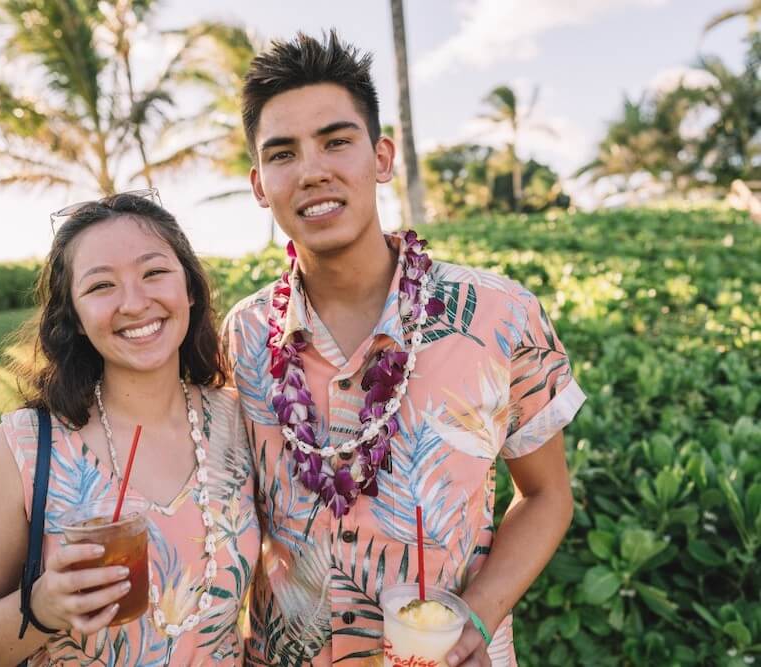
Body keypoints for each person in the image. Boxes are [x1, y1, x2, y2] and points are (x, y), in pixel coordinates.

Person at [222, 32, 586, 667]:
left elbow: (549, 495)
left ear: (381, 157)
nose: (312, 171)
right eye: (284, 153)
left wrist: (480, 613)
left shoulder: (500, 317)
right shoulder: (242, 335)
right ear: (260, 184)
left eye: (337, 141)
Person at [0, 192, 260, 666]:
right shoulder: (25, 448)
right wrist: (42, 607)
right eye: (101, 286)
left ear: (188, 288)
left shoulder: (239, 422)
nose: (134, 303)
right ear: (77, 318)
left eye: (154, 272)